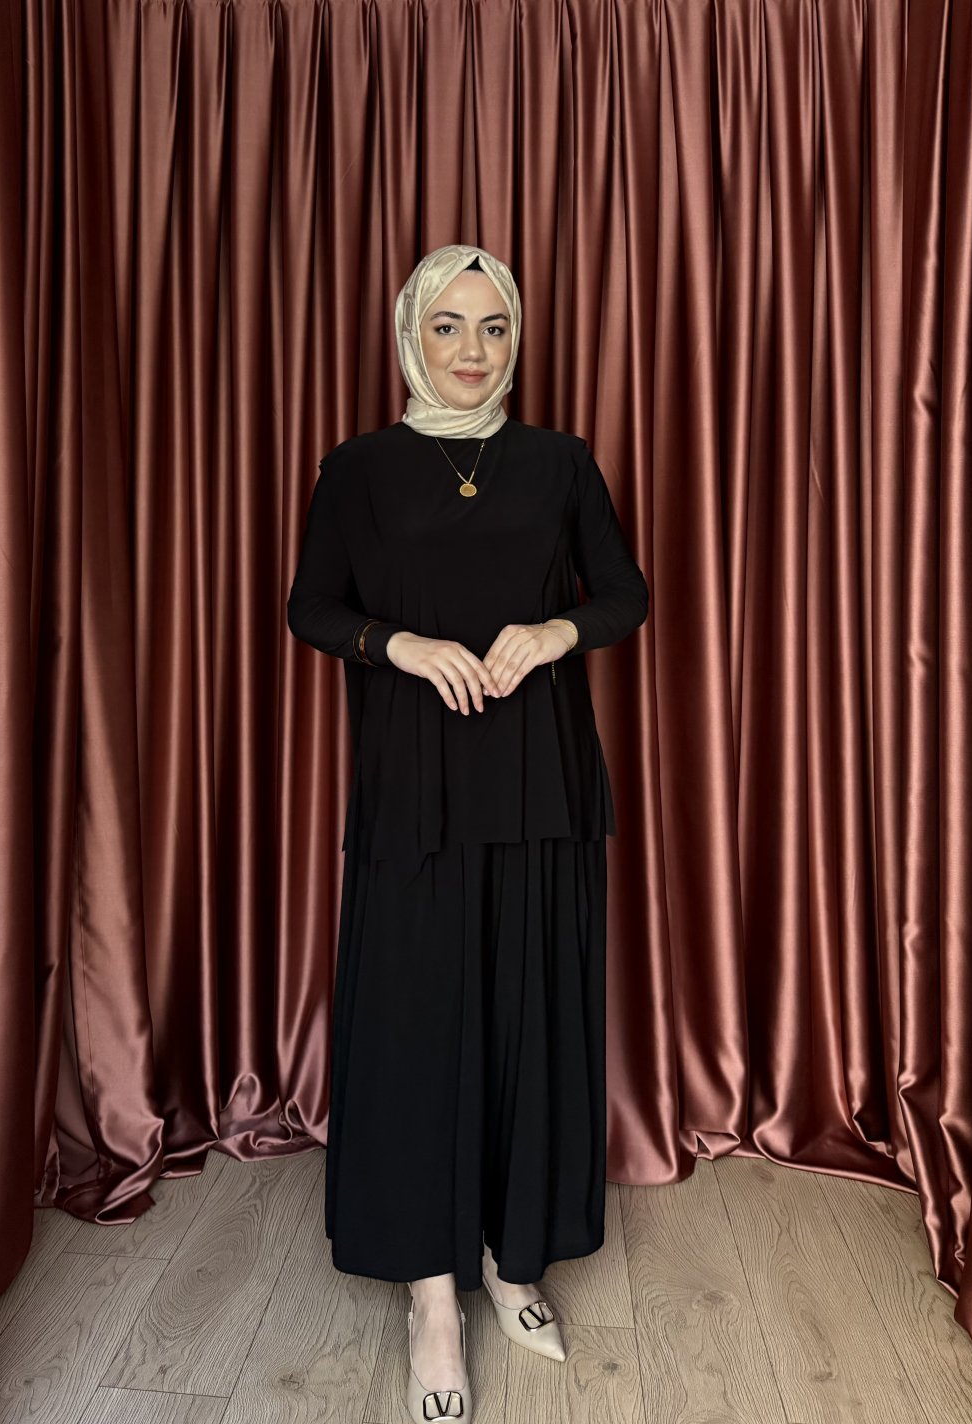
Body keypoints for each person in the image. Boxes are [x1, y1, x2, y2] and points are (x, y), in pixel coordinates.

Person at [287, 243, 648, 1423]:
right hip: (415, 787)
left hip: (542, 781)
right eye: (447, 325)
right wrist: (394, 643)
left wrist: (554, 632)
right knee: (419, 1025)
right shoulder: (358, 468)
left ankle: (511, 1258)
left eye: (493, 327)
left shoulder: (560, 462)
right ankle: (431, 1296)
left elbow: (624, 592)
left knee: (528, 1021)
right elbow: (311, 603)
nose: (472, 349)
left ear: (515, 338)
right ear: (411, 333)